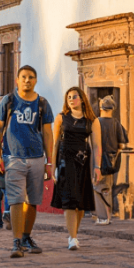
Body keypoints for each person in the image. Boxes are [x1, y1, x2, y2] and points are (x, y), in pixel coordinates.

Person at [0, 65, 54, 258]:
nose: (27, 80)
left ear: (36, 80)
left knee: (33, 201)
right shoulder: (8, 101)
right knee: (16, 200)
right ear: (17, 80)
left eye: (31, 77)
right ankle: (16, 242)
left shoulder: (43, 104)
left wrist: (49, 162)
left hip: (37, 157)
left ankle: (27, 237)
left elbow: (47, 133)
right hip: (13, 157)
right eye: (24, 77)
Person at [50, 87, 102, 251]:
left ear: (82, 99)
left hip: (83, 162)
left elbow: (97, 146)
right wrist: (52, 165)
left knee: (80, 203)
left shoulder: (92, 120)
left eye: (75, 97)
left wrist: (97, 167)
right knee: (69, 201)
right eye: (69, 97)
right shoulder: (61, 118)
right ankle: (72, 237)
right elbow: (55, 143)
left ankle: (74, 233)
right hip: (65, 161)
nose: (71, 100)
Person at [94, 95, 127, 225]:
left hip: (98, 159)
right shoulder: (116, 123)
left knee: (97, 187)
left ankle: (101, 217)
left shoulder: (96, 123)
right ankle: (108, 215)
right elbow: (121, 145)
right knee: (108, 188)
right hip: (112, 160)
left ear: (101, 108)